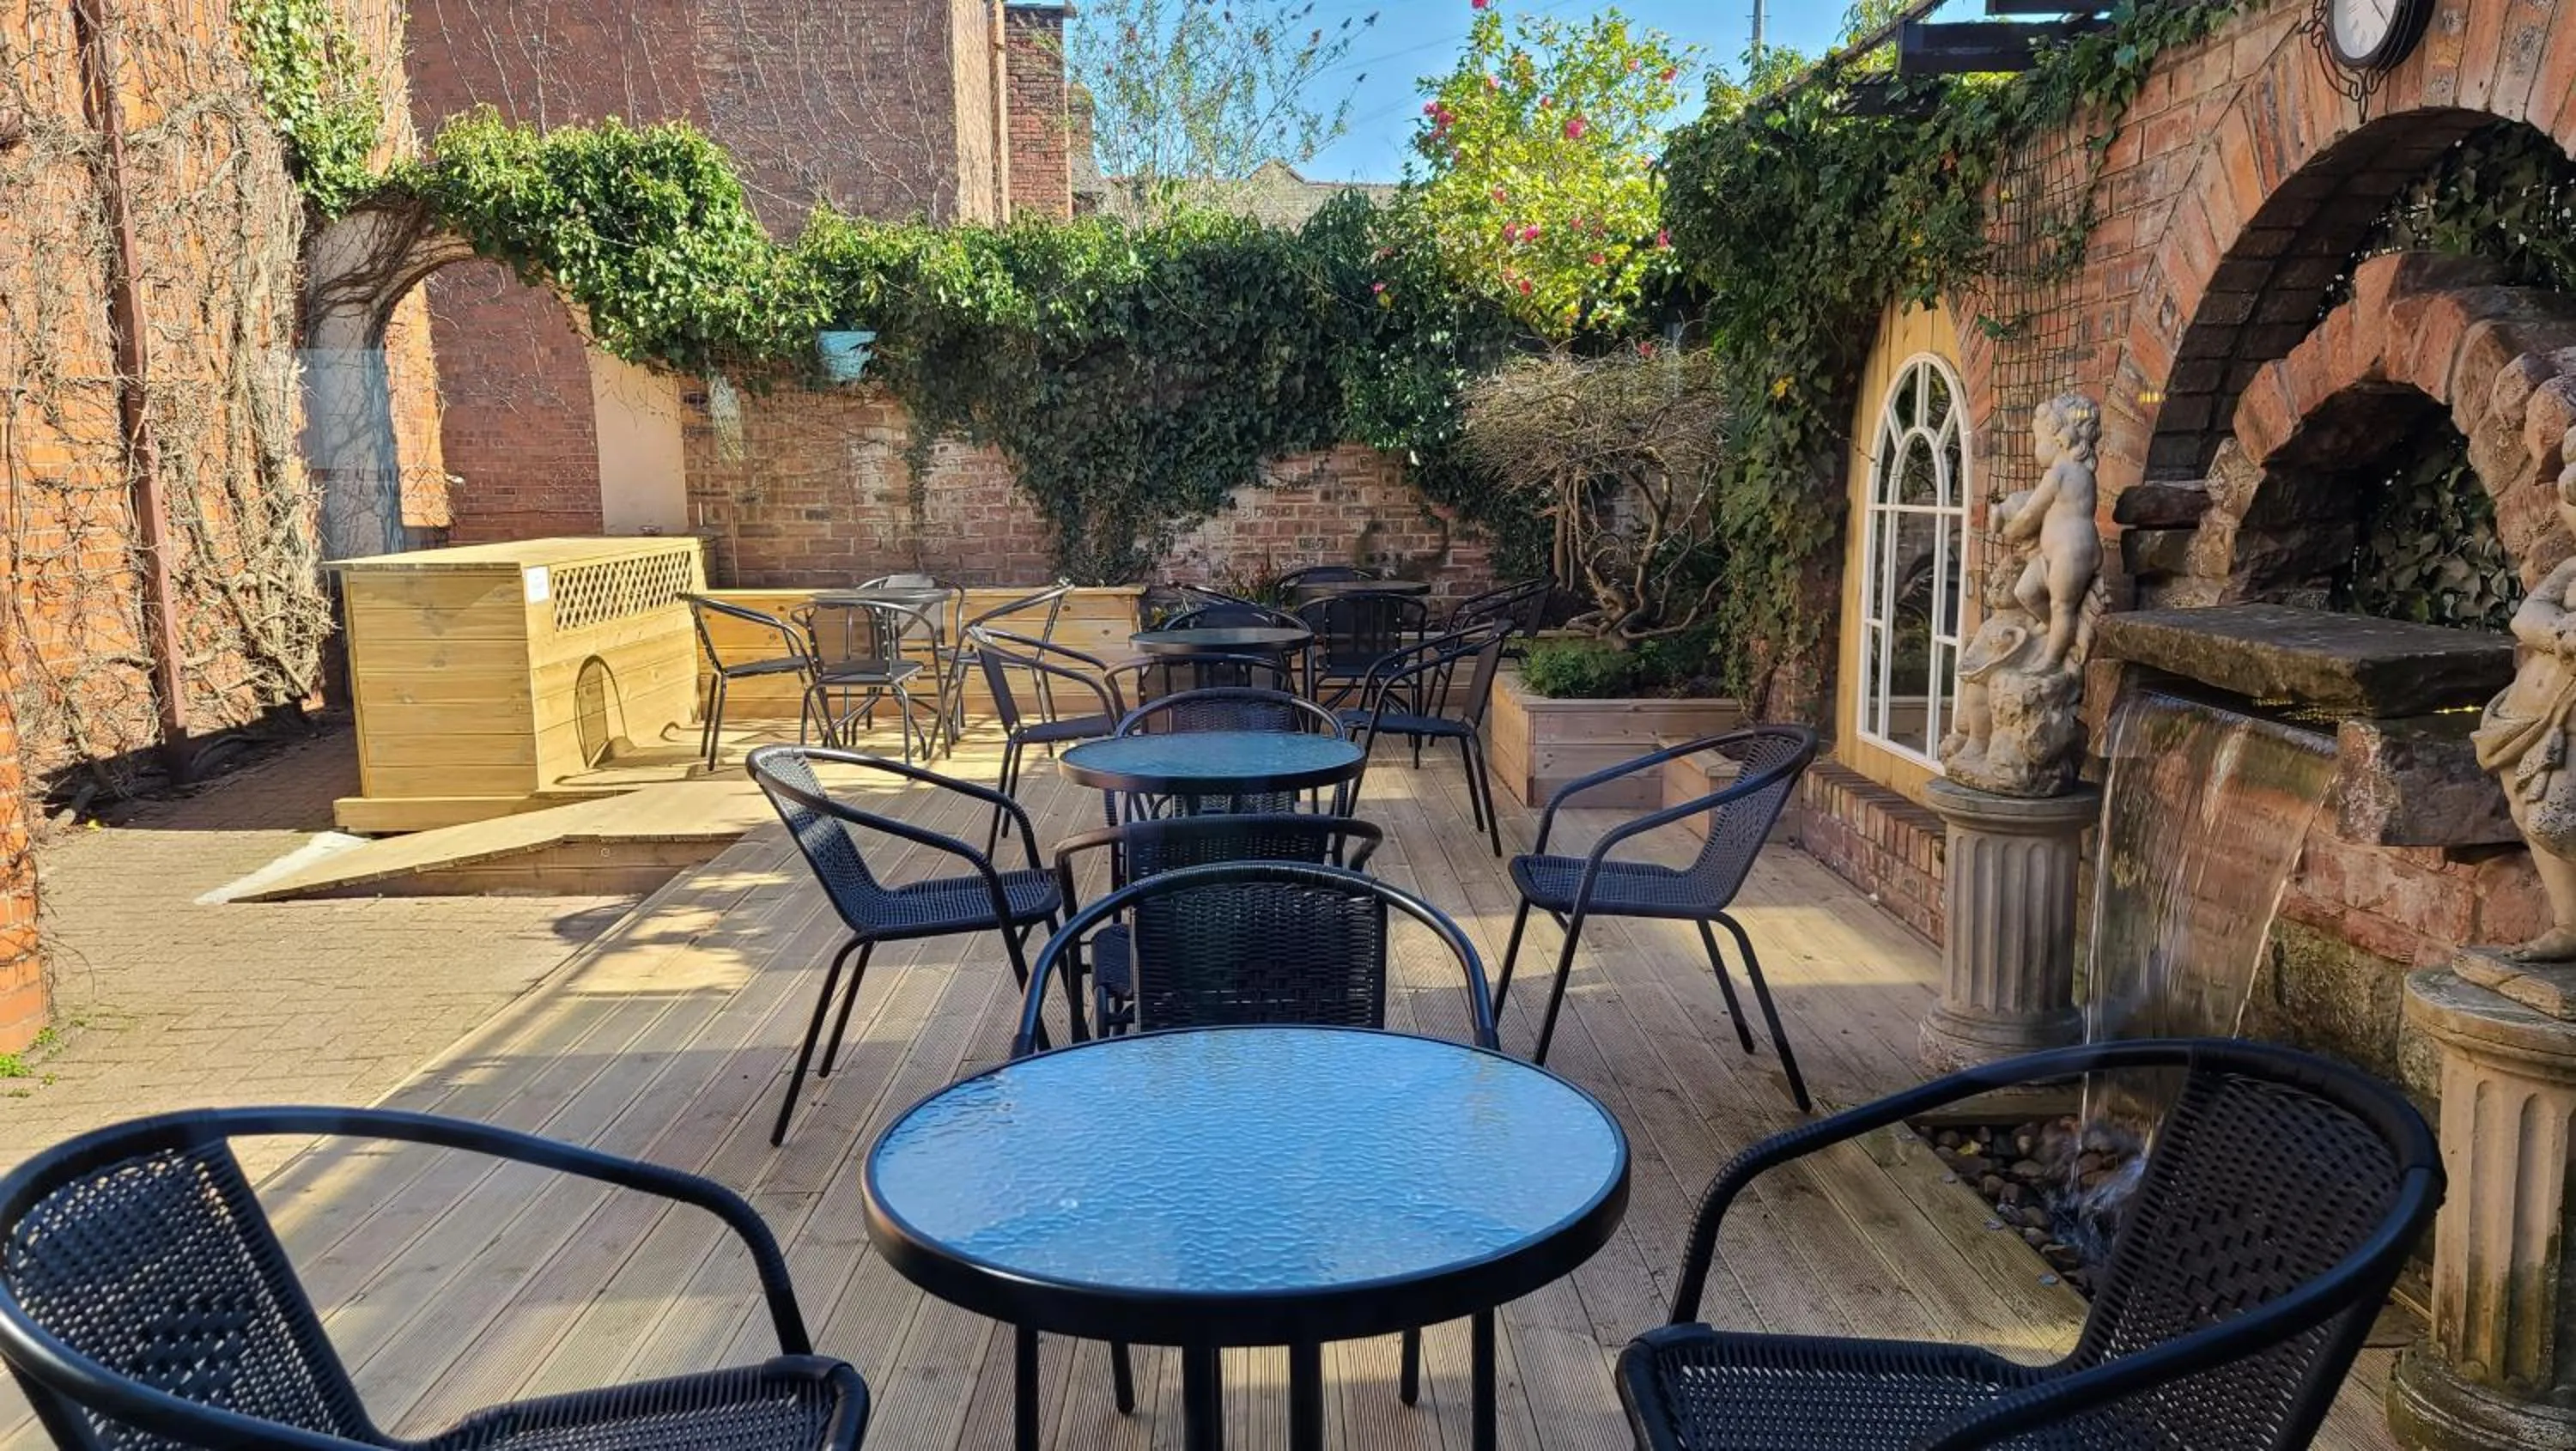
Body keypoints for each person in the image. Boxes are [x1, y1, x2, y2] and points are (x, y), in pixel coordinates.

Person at [2474, 441, 2576, 960]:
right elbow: (2527, 614)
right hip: (2535, 718)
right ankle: (2569, 923)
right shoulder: (2572, 571)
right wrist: (2561, 632)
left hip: (2565, 724)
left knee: (2554, 819)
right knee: (2528, 807)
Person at [2005, 394, 2102, 670]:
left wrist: (2013, 528)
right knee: (2025, 592)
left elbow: (2031, 511)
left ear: (2060, 440)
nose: (2036, 448)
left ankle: (2051, 659)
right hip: (2053, 554)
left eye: (2038, 440)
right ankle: (2055, 630)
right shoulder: (2070, 472)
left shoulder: (2062, 474)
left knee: (2062, 606)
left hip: (2073, 554)